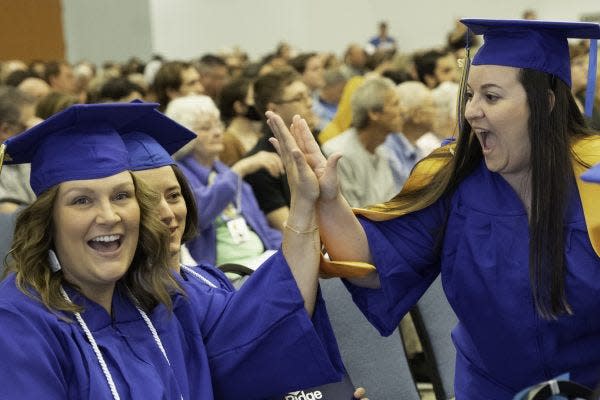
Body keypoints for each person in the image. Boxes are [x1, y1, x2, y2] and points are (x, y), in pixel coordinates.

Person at [271, 19, 600, 398]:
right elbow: (375, 264)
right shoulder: (455, 177)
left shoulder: (593, 180)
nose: (471, 111)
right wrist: (328, 200)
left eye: (491, 97)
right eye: (471, 94)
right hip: (489, 389)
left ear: (545, 103)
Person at [0, 102, 346, 399]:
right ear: (48, 221)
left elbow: (263, 331)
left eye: (122, 195)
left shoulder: (163, 300)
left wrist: (305, 205)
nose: (108, 216)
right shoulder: (20, 324)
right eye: (81, 200)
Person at [122, 112, 369, 399]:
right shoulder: (130, 308)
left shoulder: (210, 280)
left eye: (174, 196)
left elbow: (267, 344)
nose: (167, 213)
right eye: (148, 200)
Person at [164, 95, 283, 268]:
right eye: (206, 128)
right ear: (184, 135)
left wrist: (288, 249)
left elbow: (263, 228)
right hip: (222, 275)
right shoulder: (176, 174)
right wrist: (240, 169)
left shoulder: (224, 172)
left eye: (218, 124)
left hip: (260, 262)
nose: (218, 132)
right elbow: (197, 214)